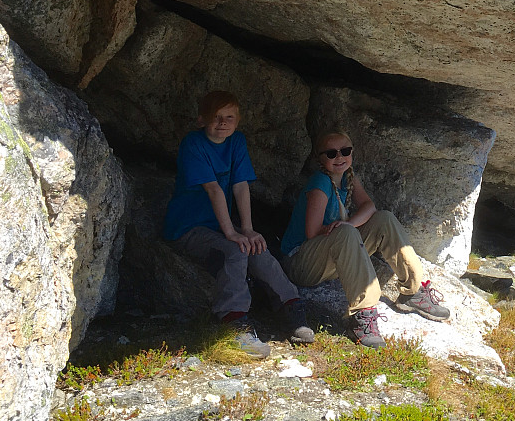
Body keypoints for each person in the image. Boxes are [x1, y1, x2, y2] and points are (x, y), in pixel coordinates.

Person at [163, 91, 313, 358]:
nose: (223, 123)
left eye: (229, 117)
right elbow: (214, 190)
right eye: (216, 117)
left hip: (220, 224)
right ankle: (234, 322)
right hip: (188, 227)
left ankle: (290, 306)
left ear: (238, 120)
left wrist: (247, 228)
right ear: (201, 120)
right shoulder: (193, 144)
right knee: (234, 251)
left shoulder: (236, 142)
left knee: (257, 247)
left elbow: (240, 185)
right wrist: (231, 232)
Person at [280, 130, 450, 349]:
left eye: (345, 151)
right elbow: (312, 233)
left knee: (384, 219)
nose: (339, 157)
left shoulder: (348, 177)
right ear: (319, 158)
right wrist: (346, 231)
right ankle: (363, 313)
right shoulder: (320, 183)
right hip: (301, 263)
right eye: (331, 153)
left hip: (330, 256)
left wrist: (349, 225)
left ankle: (412, 291)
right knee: (347, 232)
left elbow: (369, 206)